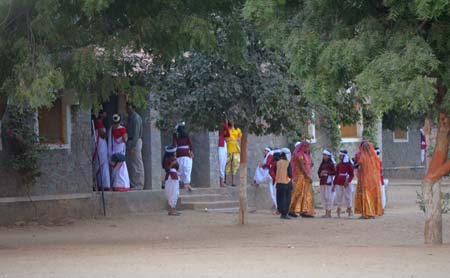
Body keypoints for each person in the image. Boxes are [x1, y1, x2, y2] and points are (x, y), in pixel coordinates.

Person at [354, 141, 383, 219]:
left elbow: (357, 165)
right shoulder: (375, 157)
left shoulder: (363, 157)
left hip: (365, 180)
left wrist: (354, 163)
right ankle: (372, 212)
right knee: (372, 196)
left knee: (366, 196)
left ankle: (366, 213)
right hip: (373, 181)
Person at [289, 140, 315, 218]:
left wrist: (309, 155)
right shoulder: (299, 155)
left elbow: (311, 164)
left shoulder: (306, 154)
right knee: (297, 193)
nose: (308, 148)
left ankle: (305, 211)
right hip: (300, 177)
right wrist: (307, 176)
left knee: (306, 194)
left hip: (306, 177)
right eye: (307, 146)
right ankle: (292, 210)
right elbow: (302, 167)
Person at [108, 114, 130, 191]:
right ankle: (122, 185)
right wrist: (126, 134)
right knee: (121, 170)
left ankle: (115, 185)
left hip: (113, 153)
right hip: (120, 153)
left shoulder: (111, 129)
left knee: (114, 171)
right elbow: (125, 139)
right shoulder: (122, 129)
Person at [126, 103, 144, 190]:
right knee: (132, 164)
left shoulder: (136, 118)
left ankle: (139, 184)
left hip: (135, 141)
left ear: (133, 107)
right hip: (130, 140)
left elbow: (136, 133)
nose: (127, 109)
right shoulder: (130, 117)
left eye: (128, 107)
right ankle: (133, 183)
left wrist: (132, 146)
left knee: (137, 163)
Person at [172, 122, 194, 191]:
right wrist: (191, 151)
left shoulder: (175, 135)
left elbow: (174, 145)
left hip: (179, 154)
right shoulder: (187, 134)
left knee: (180, 170)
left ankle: (182, 184)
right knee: (187, 169)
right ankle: (186, 184)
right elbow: (190, 144)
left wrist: (174, 154)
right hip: (187, 153)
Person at [332, 150, 354, 217]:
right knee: (339, 196)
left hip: (346, 182)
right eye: (339, 155)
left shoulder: (349, 165)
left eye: (341, 155)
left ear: (344, 156)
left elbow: (352, 175)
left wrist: (348, 181)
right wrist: (334, 184)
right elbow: (336, 174)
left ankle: (349, 209)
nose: (339, 157)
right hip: (339, 181)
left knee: (348, 196)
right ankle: (339, 209)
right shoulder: (339, 165)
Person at [93, 112, 111, 191]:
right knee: (101, 163)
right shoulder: (98, 123)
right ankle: (103, 184)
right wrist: (109, 131)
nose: (106, 114)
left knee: (104, 165)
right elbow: (102, 135)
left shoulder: (101, 123)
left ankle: (104, 184)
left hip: (103, 145)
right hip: (100, 146)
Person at [318, 149, 336, 218]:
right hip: (322, 181)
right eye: (323, 155)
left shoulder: (331, 164)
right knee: (323, 197)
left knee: (329, 197)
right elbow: (318, 171)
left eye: (325, 155)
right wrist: (321, 173)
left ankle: (329, 213)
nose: (324, 156)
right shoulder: (322, 164)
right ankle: (326, 212)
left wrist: (327, 173)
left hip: (329, 182)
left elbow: (334, 172)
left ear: (329, 156)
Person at [163, 146, 181, 216]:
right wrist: (172, 164)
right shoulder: (167, 160)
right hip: (171, 177)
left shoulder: (173, 159)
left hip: (174, 177)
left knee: (174, 192)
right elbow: (167, 169)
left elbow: (177, 167)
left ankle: (173, 210)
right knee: (172, 192)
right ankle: (172, 210)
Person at [275, 152, 293, 220]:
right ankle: (285, 214)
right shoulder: (287, 163)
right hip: (286, 183)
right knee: (286, 199)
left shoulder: (278, 162)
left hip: (279, 183)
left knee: (280, 199)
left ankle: (281, 212)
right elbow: (290, 174)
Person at [225, 120, 242, 187]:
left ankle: (233, 182)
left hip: (235, 149)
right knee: (227, 164)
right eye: (231, 120)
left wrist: (234, 139)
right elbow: (226, 138)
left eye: (233, 120)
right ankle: (225, 181)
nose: (232, 121)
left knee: (235, 164)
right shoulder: (227, 129)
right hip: (228, 148)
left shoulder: (237, 130)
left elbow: (240, 137)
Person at [218, 121, 230, 187]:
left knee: (223, 163)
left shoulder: (223, 128)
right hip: (220, 145)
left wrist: (225, 123)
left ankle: (221, 181)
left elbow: (228, 134)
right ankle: (221, 181)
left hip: (222, 144)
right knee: (221, 162)